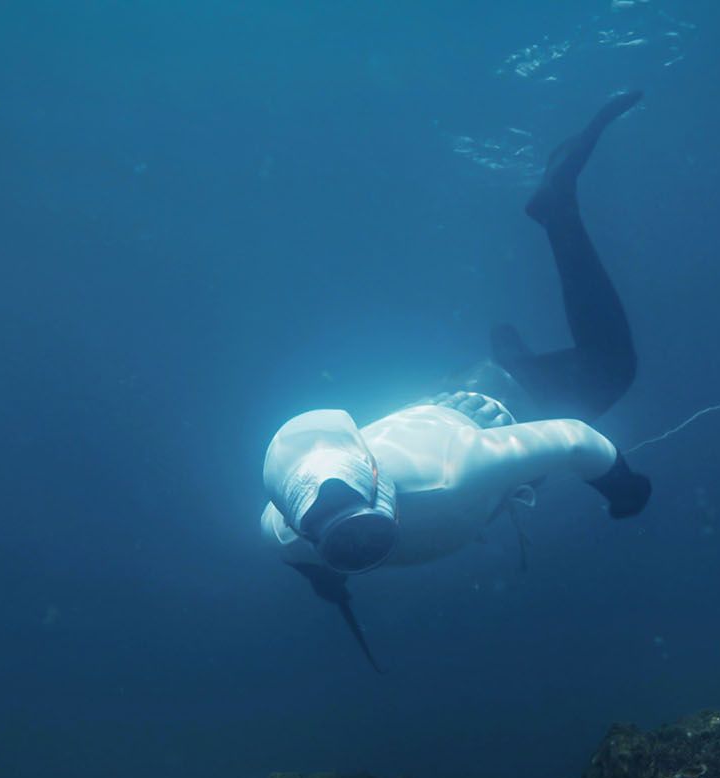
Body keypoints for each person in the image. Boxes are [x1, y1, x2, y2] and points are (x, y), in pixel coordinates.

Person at [259, 92, 652, 669]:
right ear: (299, 524)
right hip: (440, 410)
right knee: (560, 393)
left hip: (494, 402)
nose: (359, 544)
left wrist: (624, 490)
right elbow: (289, 543)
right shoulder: (285, 532)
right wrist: (324, 578)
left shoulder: (453, 476)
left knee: (613, 367)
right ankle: (507, 354)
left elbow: (575, 439)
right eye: (334, 537)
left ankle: (556, 208)